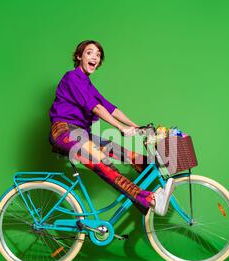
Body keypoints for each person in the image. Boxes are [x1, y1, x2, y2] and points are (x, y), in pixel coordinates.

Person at [48, 40, 174, 216]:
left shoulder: (87, 84)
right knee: (104, 163)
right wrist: (120, 127)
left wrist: (136, 127)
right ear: (79, 56)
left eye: (98, 55)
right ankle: (149, 199)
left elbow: (109, 107)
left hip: (82, 133)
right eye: (89, 52)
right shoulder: (72, 77)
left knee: (131, 156)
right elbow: (97, 108)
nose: (95, 57)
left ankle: (149, 185)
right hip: (65, 132)